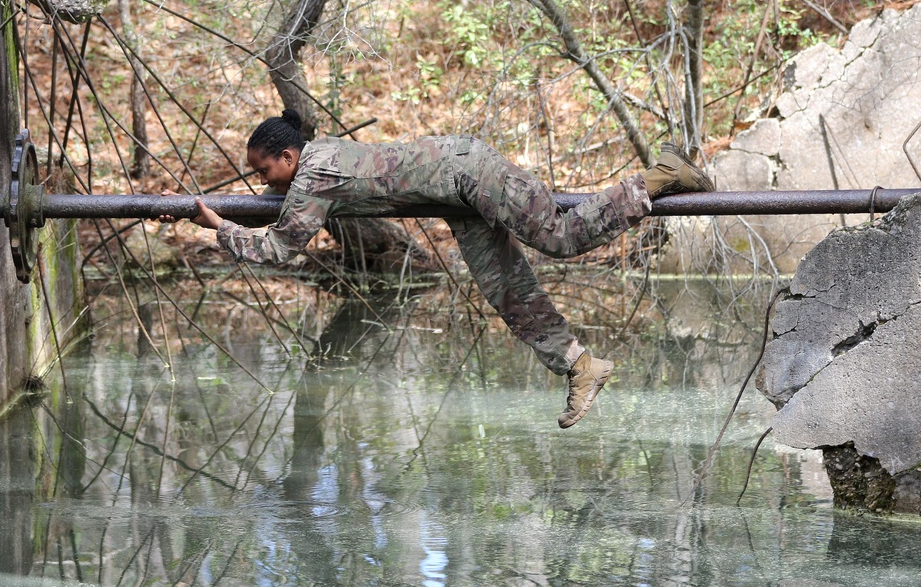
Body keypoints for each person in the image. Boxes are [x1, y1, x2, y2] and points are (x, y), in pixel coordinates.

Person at [161, 109, 714, 428]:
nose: (265, 183)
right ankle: (580, 365)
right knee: (505, 288)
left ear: (288, 158)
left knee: (561, 237)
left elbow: (280, 250)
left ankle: (660, 177)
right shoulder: (316, 165)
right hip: (455, 195)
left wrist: (218, 226)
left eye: (265, 172)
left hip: (466, 173)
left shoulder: (314, 176)